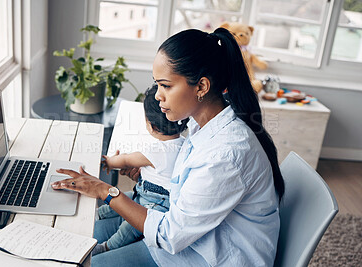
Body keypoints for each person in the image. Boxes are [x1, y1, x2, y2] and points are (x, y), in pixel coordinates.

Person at [52, 27, 285, 266]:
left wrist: (106, 191)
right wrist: (157, 179)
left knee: (85, 261)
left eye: (166, 86)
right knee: (76, 236)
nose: (157, 96)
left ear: (202, 87)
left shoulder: (226, 154)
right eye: (157, 85)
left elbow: (170, 235)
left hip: (208, 255)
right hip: (195, 235)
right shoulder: (203, 125)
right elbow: (194, 188)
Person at [93, 84, 188, 254]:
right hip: (153, 197)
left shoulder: (157, 151)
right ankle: (100, 216)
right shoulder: (185, 144)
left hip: (154, 204)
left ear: (151, 126)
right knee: (126, 198)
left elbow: (126, 160)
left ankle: (107, 246)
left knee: (128, 226)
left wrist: (109, 161)